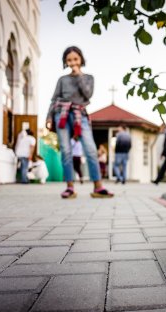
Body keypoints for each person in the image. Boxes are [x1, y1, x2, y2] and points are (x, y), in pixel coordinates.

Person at [45, 46, 113, 199]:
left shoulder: (88, 77)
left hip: (79, 114)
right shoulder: (62, 80)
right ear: (65, 62)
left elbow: (88, 94)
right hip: (61, 114)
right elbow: (54, 99)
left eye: (75, 59)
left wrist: (79, 75)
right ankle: (69, 187)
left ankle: (98, 186)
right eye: (69, 60)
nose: (72, 62)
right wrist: (49, 117)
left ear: (81, 59)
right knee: (66, 150)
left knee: (90, 149)